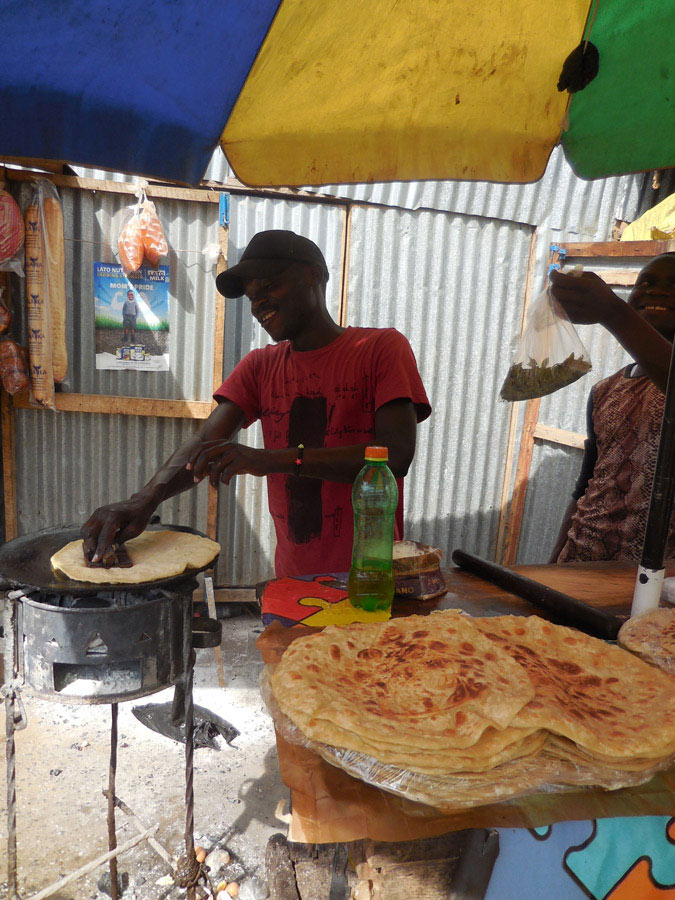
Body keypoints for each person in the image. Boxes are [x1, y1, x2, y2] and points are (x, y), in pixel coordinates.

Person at [83, 230, 431, 576]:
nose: (258, 304)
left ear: (315, 275)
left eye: (269, 287)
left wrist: (268, 460)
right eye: (252, 297)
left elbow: (396, 454)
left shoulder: (381, 349)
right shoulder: (260, 366)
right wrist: (145, 500)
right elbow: (206, 442)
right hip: (294, 583)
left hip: (370, 580)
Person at [548, 252, 675, 563]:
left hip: (654, 579)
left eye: (674, 285)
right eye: (645, 282)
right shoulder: (605, 390)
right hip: (580, 562)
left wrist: (613, 313)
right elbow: (587, 486)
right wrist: (553, 564)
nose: (656, 291)